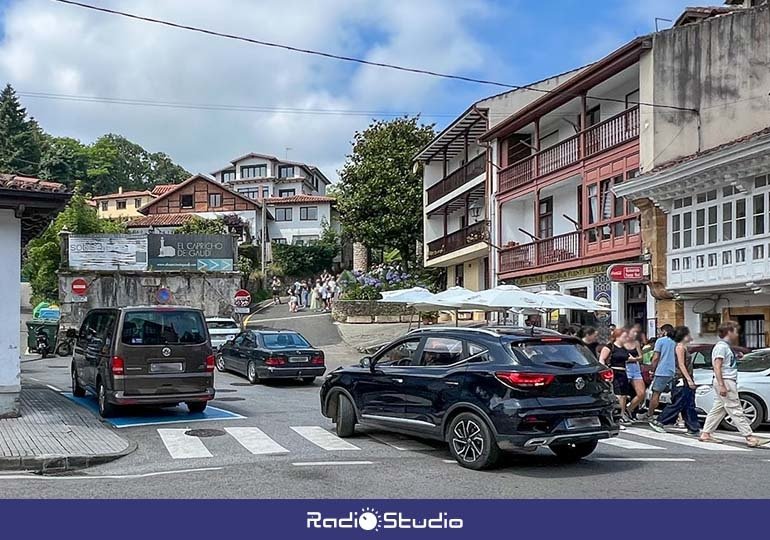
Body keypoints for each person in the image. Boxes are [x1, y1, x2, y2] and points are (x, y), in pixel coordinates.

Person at [700, 322, 768, 447]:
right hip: (726, 380)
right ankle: (749, 436)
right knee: (735, 408)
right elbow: (717, 365)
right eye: (736, 331)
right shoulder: (721, 347)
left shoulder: (725, 347)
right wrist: (721, 385)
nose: (737, 334)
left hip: (725, 380)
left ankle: (706, 433)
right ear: (729, 332)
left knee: (718, 409)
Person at [649, 326, 700, 436]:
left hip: (684, 378)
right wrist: (689, 380)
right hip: (680, 378)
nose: (690, 337)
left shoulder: (683, 347)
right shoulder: (679, 347)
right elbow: (681, 365)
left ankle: (693, 427)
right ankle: (660, 421)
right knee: (679, 403)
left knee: (688, 403)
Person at [599, 328, 633, 425]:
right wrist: (606, 371)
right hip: (614, 371)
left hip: (623, 372)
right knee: (618, 395)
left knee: (624, 395)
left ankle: (622, 415)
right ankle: (617, 417)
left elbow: (630, 358)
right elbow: (602, 359)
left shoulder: (624, 348)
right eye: (624, 336)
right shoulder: (610, 346)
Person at [644, 324, 676, 421]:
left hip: (662, 370)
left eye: (660, 332)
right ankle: (679, 418)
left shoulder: (660, 341)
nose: (659, 334)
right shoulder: (676, 342)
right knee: (675, 396)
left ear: (664, 331)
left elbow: (656, 358)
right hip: (674, 371)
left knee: (656, 394)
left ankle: (650, 414)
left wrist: (652, 369)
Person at [624, 326, 646, 420]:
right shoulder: (621, 344)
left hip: (635, 368)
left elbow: (641, 357)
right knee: (623, 393)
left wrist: (635, 359)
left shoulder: (636, 343)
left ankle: (629, 409)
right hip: (625, 368)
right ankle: (621, 413)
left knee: (641, 393)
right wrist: (627, 359)